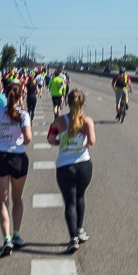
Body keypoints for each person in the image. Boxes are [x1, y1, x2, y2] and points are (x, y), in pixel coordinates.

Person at [0, 82, 32, 255]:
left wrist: (2, 138)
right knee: (17, 198)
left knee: (2, 201)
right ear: (21, 97)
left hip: (0, 157)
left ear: (5, 94)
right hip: (18, 157)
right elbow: (27, 138)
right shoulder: (23, 114)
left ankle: (6, 239)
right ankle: (17, 234)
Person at [47, 89, 97, 252]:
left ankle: (73, 238)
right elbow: (92, 141)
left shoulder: (58, 121)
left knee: (69, 202)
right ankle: (80, 229)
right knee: (80, 197)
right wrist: (83, 145)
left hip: (64, 166)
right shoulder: (87, 121)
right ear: (83, 103)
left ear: (67, 103)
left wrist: (61, 145)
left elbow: (50, 139)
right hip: (84, 165)